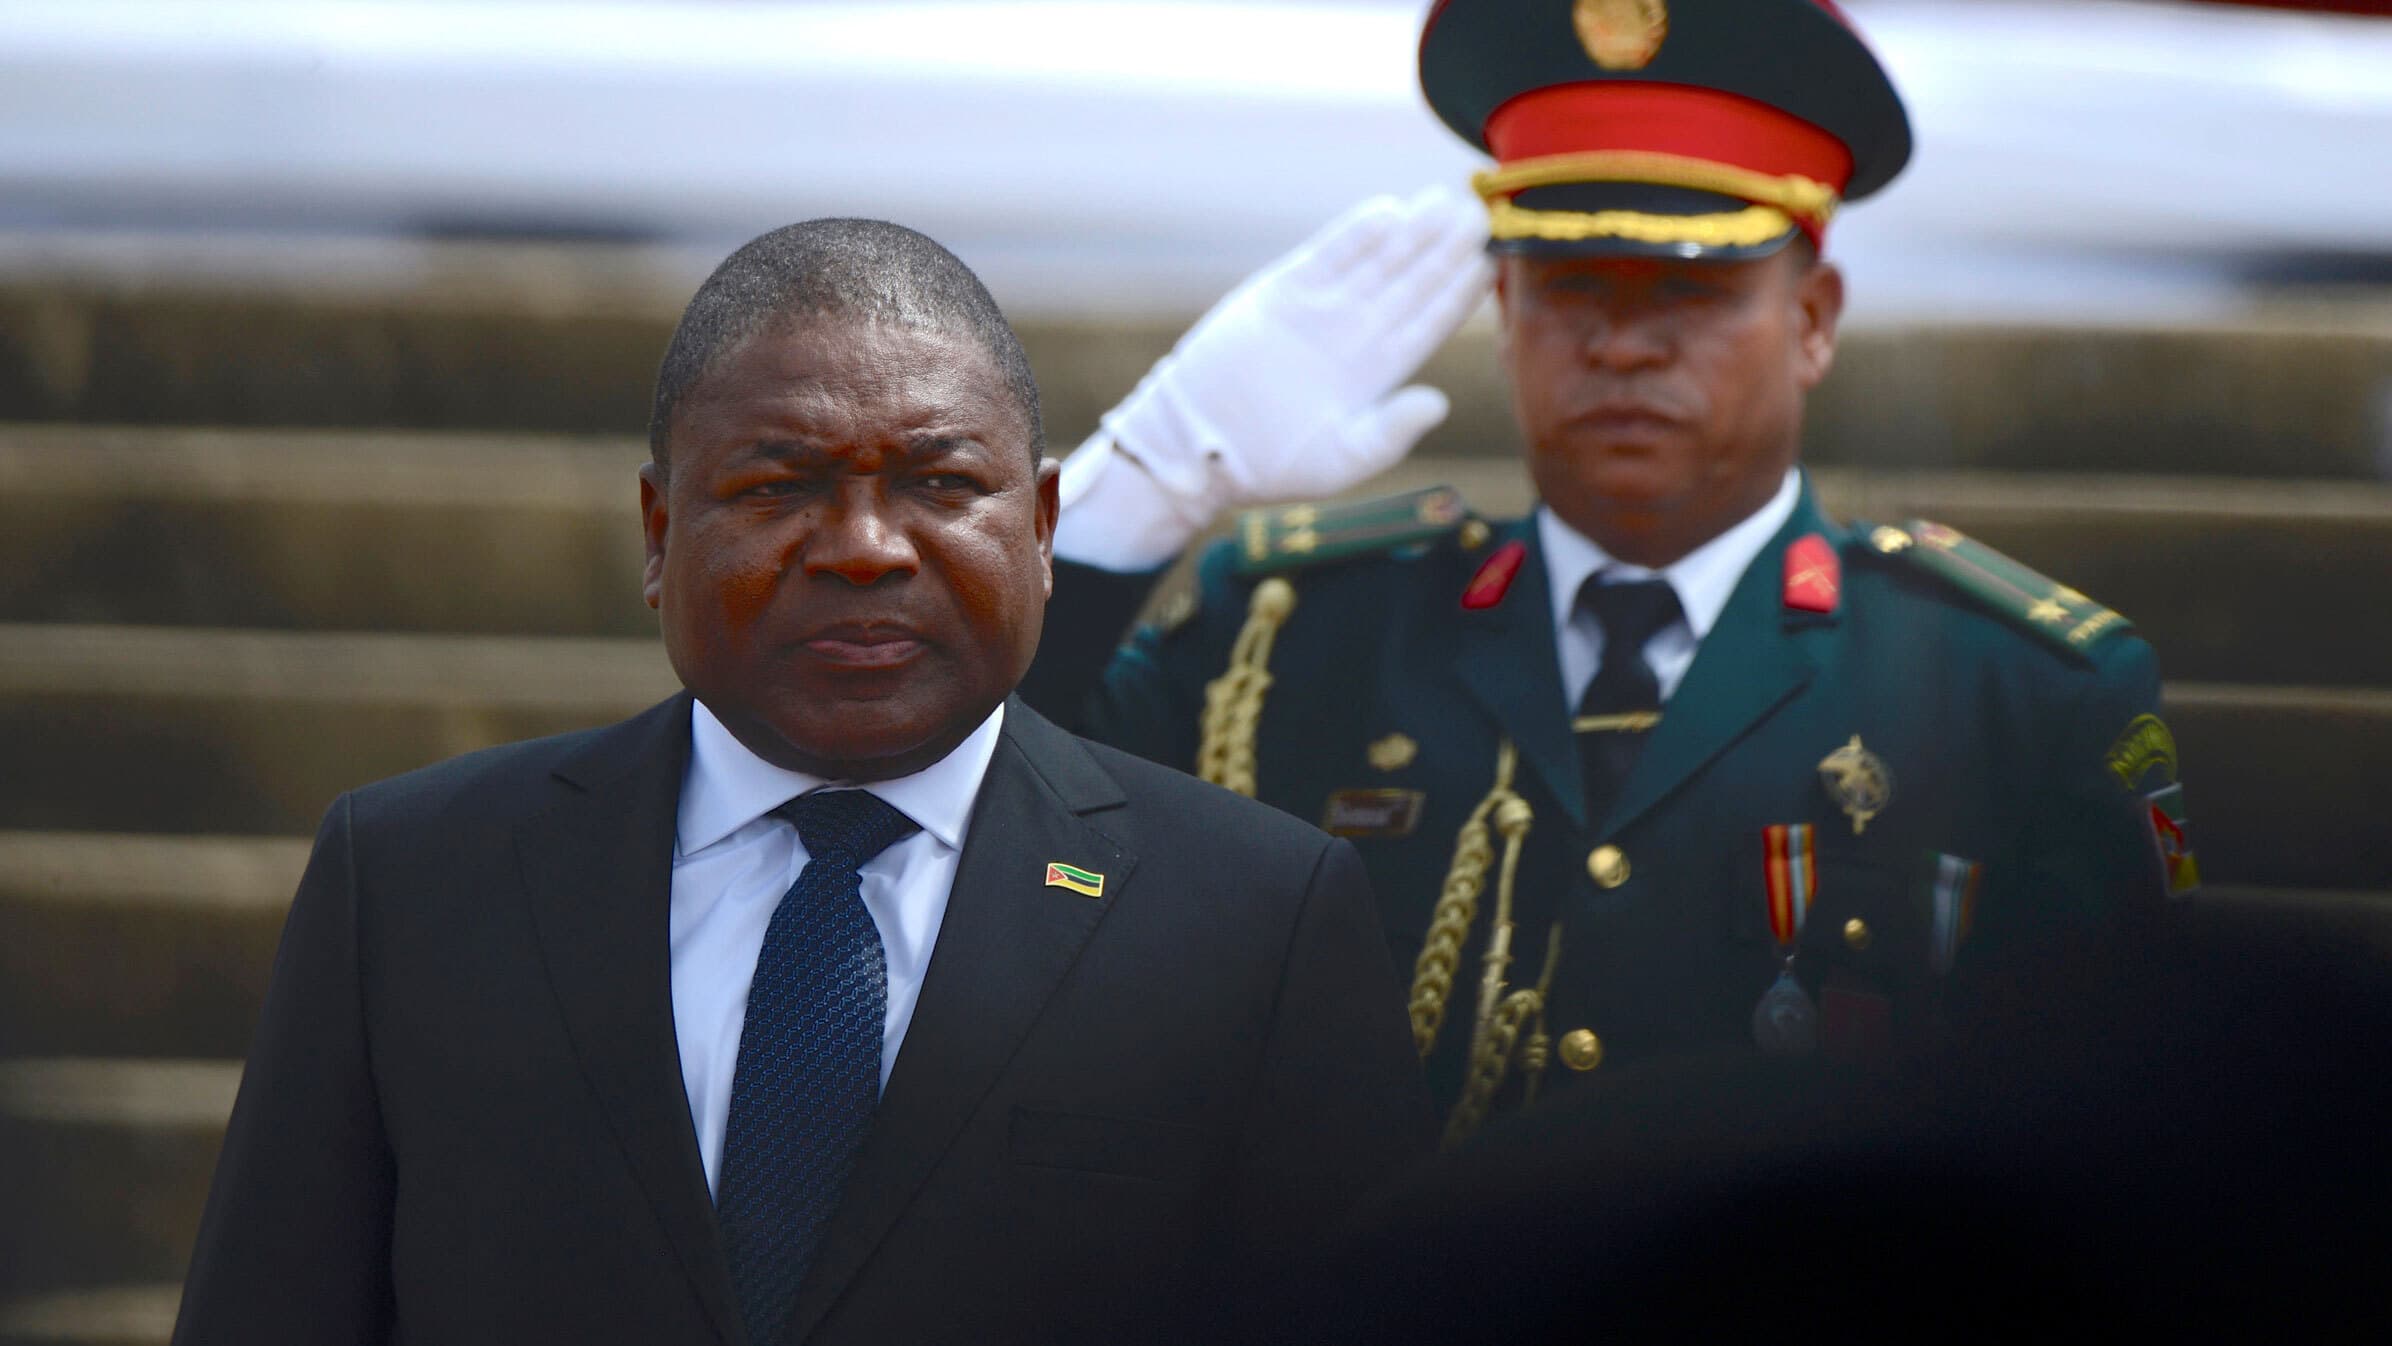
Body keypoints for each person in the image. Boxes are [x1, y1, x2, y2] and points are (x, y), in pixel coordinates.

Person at [172, 219, 1432, 1346]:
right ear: (661, 536)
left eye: (942, 484)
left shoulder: (1254, 917)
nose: (866, 548)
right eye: (778, 488)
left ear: (1044, 526)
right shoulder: (411, 879)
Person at [1023, 0, 2196, 1140]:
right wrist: (1138, 484)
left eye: (1691, 287)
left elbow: (2112, 1131)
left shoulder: (2014, 687)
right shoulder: (1290, 634)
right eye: (1572, 281)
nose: (1623, 342)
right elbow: (996, 816)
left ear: (1815, 320)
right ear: (1504, 303)